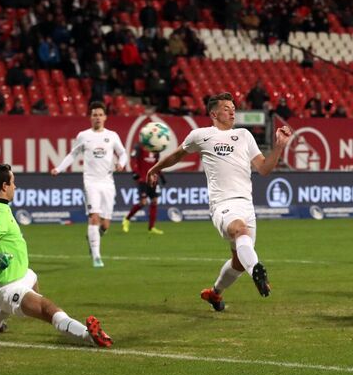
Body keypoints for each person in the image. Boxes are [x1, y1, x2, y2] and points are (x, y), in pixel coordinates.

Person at [146, 93, 292, 310]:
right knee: (239, 231)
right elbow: (177, 155)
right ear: (214, 113)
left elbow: (264, 169)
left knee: (238, 261)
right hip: (222, 204)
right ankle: (258, 272)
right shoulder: (201, 135)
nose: (232, 111)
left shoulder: (244, 135)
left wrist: (279, 146)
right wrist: (155, 168)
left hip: (246, 204)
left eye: (233, 107)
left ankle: (215, 294)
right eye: (226, 108)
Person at [0, 163, 112, 347]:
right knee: (47, 308)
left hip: (21, 275)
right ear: (4, 187)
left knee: (32, 278)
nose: (16, 186)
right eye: (13, 182)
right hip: (7, 287)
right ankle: (88, 335)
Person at [51, 101, 128, 268]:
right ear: (90, 117)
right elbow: (73, 154)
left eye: (100, 115)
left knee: (105, 224)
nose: (98, 118)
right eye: (95, 115)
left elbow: (123, 153)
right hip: (91, 181)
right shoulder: (83, 136)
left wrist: (121, 164)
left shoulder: (112, 135)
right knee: (94, 216)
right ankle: (96, 256)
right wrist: (59, 168)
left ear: (105, 117)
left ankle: (94, 237)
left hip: (108, 182)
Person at [123, 142, 165, 235]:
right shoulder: (139, 147)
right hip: (143, 179)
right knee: (143, 202)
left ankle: (151, 227)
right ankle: (127, 219)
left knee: (154, 201)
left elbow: (157, 164)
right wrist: (135, 172)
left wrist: (161, 176)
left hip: (153, 179)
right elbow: (133, 159)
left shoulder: (156, 149)